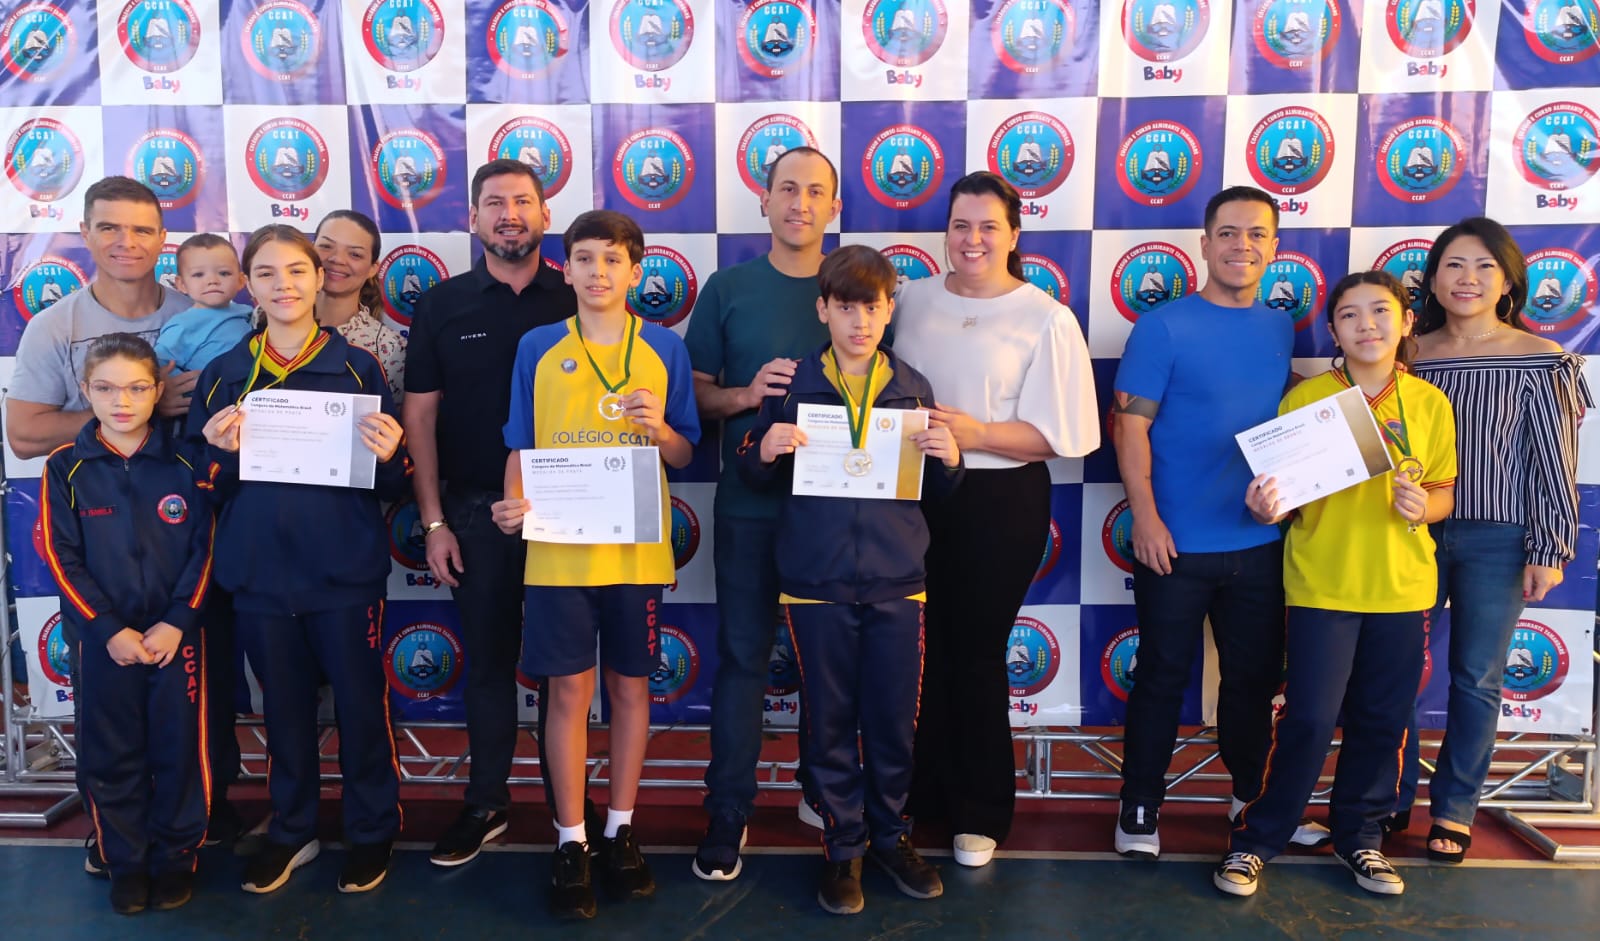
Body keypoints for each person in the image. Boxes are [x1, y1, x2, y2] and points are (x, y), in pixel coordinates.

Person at [1215, 271, 1457, 898]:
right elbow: (1284, 500)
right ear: (1333, 331)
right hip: (1322, 585)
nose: (1366, 325)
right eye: (1350, 315)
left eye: (1381, 311)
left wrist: (1424, 507)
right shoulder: (1308, 400)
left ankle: (1361, 837)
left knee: (1382, 721)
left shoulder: (1429, 402)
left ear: (1407, 322)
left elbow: (1444, 492)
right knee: (1308, 718)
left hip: (1402, 587)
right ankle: (1258, 839)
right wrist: (1265, 507)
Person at [4, 176, 219, 874]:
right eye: (109, 227)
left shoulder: (203, 311)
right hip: (103, 573)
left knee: (190, 726)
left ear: (164, 239)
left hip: (187, 556)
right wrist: (127, 415)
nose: (127, 242)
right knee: (111, 731)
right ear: (85, 233)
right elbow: (24, 433)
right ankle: (118, 840)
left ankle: (188, 835)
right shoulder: (56, 325)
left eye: (142, 229)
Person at [738, 245, 962, 915]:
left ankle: (891, 837)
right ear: (823, 310)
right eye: (846, 308)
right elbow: (751, 468)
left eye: (872, 308)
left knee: (893, 721)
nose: (859, 322)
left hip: (898, 580)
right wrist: (765, 449)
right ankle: (842, 848)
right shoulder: (792, 384)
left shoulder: (913, 387)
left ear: (890, 311)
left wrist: (951, 460)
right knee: (829, 721)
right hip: (816, 581)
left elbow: (939, 491)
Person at [189, 225, 411, 896]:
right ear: (247, 285)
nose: (283, 284)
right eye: (265, 273)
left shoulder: (358, 367)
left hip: (344, 575)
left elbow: (390, 482)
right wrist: (218, 455)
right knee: (283, 714)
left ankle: (371, 831)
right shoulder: (225, 373)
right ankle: (293, 829)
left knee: (361, 709)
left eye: (296, 270)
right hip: (258, 577)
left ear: (320, 279)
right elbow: (201, 488)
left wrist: (391, 456)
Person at [492, 210, 700, 919]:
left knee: (631, 688)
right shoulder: (538, 346)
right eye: (584, 259)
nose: (598, 272)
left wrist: (660, 428)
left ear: (636, 271)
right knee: (568, 694)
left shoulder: (665, 348)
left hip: (635, 552)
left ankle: (620, 829)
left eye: (612, 260)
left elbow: (684, 452)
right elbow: (521, 444)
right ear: (568, 269)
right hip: (558, 551)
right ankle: (571, 837)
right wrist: (513, 505)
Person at [893, 171, 1098, 867]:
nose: (972, 239)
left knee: (977, 653)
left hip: (999, 502)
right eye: (960, 225)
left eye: (988, 226)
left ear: (1014, 234)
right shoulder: (909, 300)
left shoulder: (1045, 316)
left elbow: (1060, 435)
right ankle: (917, 795)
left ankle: (979, 811)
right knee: (919, 652)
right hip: (910, 496)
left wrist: (977, 433)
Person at [1111, 186, 1312, 859]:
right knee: (1161, 676)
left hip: (1258, 542)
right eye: (1228, 233)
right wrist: (1146, 518)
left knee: (1252, 683)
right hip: (1173, 543)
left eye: (1256, 234)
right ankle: (1139, 806)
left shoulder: (1279, 327)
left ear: (1274, 248)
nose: (1241, 246)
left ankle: (1251, 801)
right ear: (1204, 244)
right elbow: (1130, 426)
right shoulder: (1162, 326)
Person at [1393, 218, 1590, 862]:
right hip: (1406, 532)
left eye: (1484, 267)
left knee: (1476, 677)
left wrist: (1550, 548)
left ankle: (1454, 811)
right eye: (1453, 265)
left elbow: (1555, 461)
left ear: (1508, 282)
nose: (1467, 279)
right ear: (1432, 280)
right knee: (1392, 670)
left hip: (1497, 538)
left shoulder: (1542, 359)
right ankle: (1386, 799)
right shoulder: (1406, 354)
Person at [401, 159, 579, 868]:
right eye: (495, 203)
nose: (510, 214)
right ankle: (486, 801)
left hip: (569, 510)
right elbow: (419, 417)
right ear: (472, 218)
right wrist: (434, 521)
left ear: (544, 215)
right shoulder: (442, 303)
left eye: (523, 202)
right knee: (488, 665)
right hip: (474, 511)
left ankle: (571, 813)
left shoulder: (577, 296)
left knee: (567, 668)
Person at [682, 146, 841, 881]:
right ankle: (728, 809)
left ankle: (827, 794)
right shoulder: (728, 287)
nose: (800, 202)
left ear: (834, 206)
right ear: (765, 200)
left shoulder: (856, 284)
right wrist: (747, 395)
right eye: (787, 188)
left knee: (830, 666)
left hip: (836, 514)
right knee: (744, 659)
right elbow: (694, 396)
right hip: (748, 507)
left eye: (815, 191)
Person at [39, 334, 215, 914]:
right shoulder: (64, 467)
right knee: (111, 754)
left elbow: (205, 548)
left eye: (137, 388)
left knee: (179, 750)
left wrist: (178, 622)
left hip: (173, 639)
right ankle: (126, 861)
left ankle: (177, 858)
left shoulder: (187, 461)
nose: (122, 401)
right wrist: (108, 629)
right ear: (85, 391)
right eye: (107, 388)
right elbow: (62, 557)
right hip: (103, 643)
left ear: (157, 391)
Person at [313, 210, 406, 400]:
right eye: (326, 246)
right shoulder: (267, 317)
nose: (337, 259)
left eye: (355, 254)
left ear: (373, 268)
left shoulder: (388, 347)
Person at [154, 234, 252, 374]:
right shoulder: (182, 325)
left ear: (241, 281)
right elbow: (159, 363)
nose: (212, 280)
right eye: (198, 274)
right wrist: (190, 383)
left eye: (224, 273)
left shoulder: (248, 313)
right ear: (181, 284)